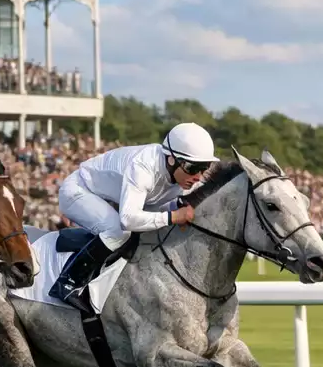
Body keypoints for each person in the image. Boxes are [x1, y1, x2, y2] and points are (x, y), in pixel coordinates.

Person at [50, 121, 219, 312]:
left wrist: (178, 208)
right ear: (171, 159)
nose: (198, 176)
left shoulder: (183, 177)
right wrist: (172, 217)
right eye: (192, 167)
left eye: (204, 167)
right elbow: (128, 220)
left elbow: (157, 204)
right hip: (78, 191)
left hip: (109, 199)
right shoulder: (143, 167)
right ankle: (68, 283)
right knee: (118, 231)